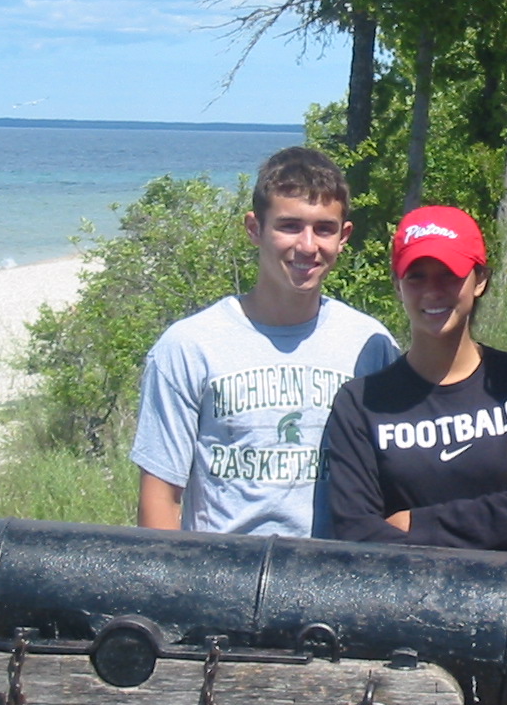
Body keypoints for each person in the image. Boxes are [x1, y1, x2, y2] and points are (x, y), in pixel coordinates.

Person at [131, 146, 400, 536]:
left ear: (344, 237)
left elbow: (394, 485)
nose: (307, 246)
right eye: (289, 226)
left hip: (334, 581)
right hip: (222, 579)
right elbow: (161, 497)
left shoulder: (371, 345)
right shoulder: (189, 346)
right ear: (254, 229)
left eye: (323, 228)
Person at [324, 205, 507, 550]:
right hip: (405, 599)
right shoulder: (361, 403)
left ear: (480, 280)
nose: (433, 291)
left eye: (449, 274)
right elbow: (355, 531)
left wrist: (415, 522)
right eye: (416, 276)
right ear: (397, 286)